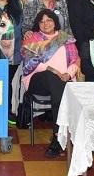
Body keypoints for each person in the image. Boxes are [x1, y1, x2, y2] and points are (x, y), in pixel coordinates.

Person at [21, 9, 79, 158]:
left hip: (63, 81)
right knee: (50, 76)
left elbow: (75, 60)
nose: (45, 24)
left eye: (49, 20)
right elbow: (29, 63)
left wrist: (68, 74)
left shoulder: (65, 38)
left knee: (58, 87)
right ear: (37, 24)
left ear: (55, 22)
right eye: (41, 21)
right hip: (37, 80)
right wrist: (52, 70)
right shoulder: (32, 39)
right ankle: (61, 135)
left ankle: (57, 136)